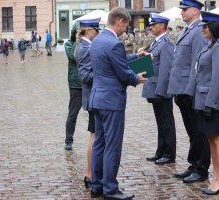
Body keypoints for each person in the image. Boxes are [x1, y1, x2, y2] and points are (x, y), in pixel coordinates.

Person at [89, 7, 147, 200]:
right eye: (126, 24)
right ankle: (110, 188)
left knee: (99, 144)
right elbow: (122, 72)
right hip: (111, 101)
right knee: (112, 145)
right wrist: (136, 78)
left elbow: (113, 62)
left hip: (97, 98)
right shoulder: (114, 43)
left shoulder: (97, 40)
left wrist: (136, 56)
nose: (126, 28)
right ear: (120, 21)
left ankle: (97, 185)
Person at [167, 0, 210, 184]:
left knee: (199, 131)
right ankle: (194, 164)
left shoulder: (199, 31)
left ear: (195, 10)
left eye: (185, 10)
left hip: (189, 90)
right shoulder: (186, 30)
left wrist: (190, 91)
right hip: (182, 89)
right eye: (182, 10)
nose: (182, 13)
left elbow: (197, 64)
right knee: (192, 131)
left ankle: (201, 168)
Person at [194, 11, 219, 195]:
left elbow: (217, 79)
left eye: (205, 26)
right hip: (204, 100)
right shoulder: (210, 46)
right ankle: (216, 176)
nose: (202, 29)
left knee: (218, 139)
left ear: (215, 27)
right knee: (211, 140)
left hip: (215, 101)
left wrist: (210, 104)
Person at [143, 13, 176, 165]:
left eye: (154, 25)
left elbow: (166, 70)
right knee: (160, 122)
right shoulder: (157, 42)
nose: (151, 27)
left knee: (166, 122)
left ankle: (169, 153)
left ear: (162, 26)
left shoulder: (166, 43)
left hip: (161, 90)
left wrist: (161, 91)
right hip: (155, 87)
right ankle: (161, 150)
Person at [75, 18, 101, 189]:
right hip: (93, 96)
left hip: (94, 96)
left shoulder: (87, 46)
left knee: (96, 135)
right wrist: (104, 74)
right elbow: (84, 76)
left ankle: (92, 173)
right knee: (94, 136)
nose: (98, 34)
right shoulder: (84, 48)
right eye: (96, 30)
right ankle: (90, 174)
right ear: (89, 31)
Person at [64, 22, 82, 151]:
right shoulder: (69, 44)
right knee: (73, 114)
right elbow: (74, 57)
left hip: (90, 83)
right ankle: (68, 140)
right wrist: (77, 40)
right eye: (78, 32)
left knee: (95, 113)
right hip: (76, 85)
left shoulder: (90, 44)